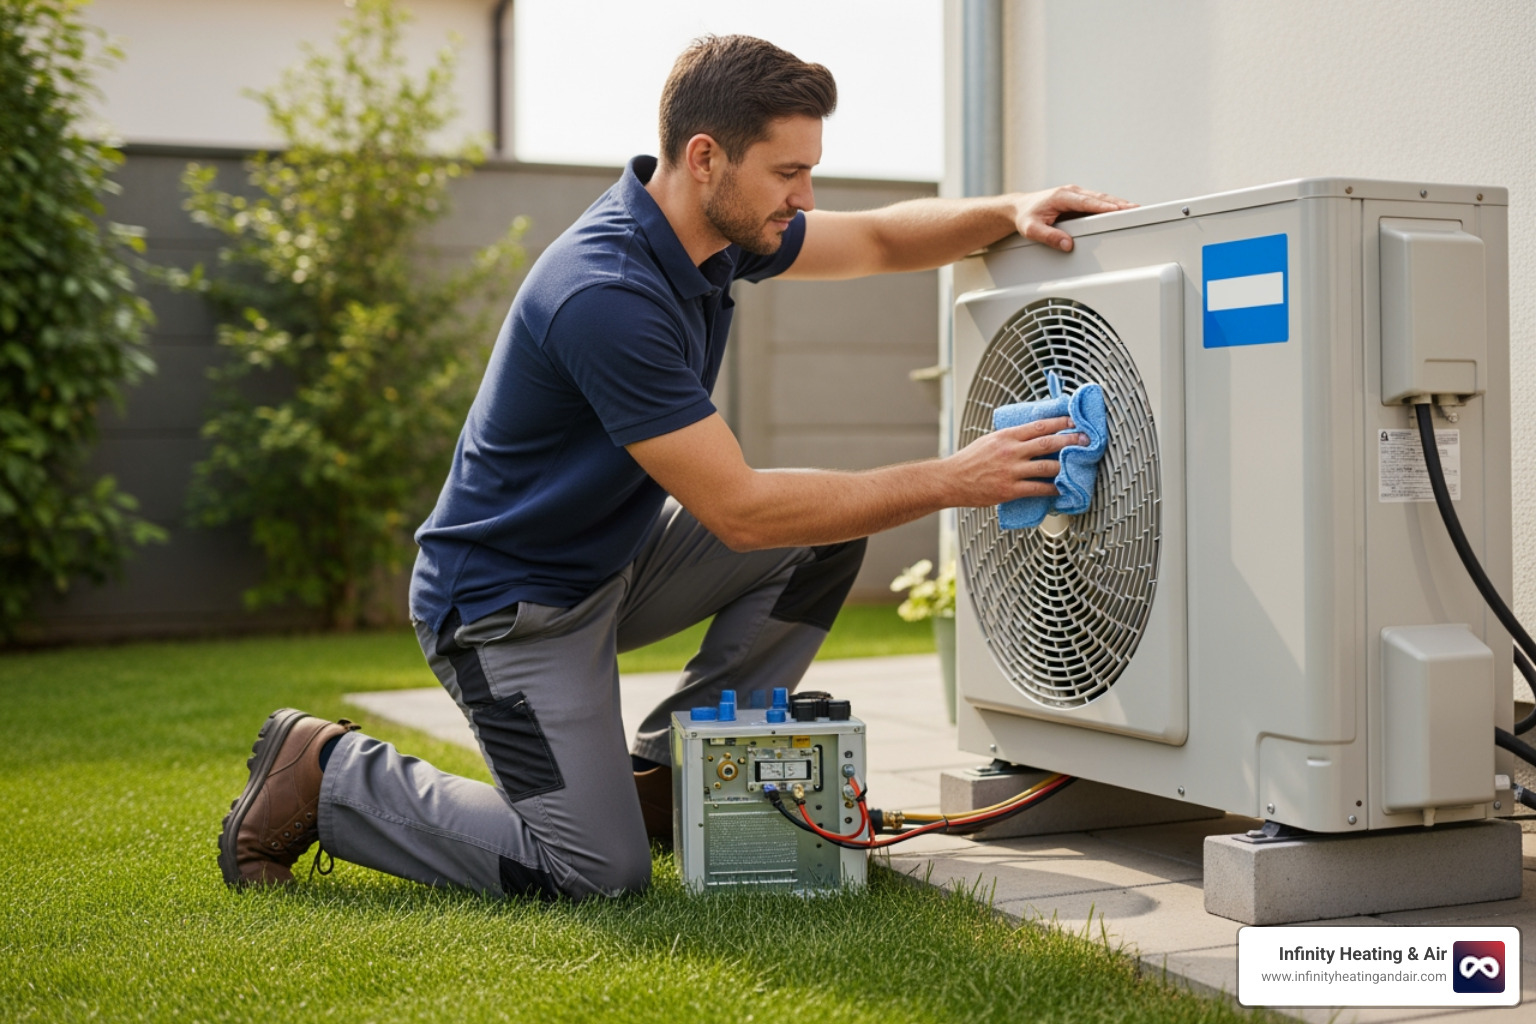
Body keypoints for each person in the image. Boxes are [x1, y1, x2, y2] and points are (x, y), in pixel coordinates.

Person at [217, 34, 1132, 899]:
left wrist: (1008, 212)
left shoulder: (721, 236)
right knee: (592, 875)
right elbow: (739, 513)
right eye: (788, 172)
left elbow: (886, 239)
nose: (804, 198)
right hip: (508, 610)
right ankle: (327, 773)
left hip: (610, 565)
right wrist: (955, 477)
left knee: (823, 537)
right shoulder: (605, 293)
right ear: (706, 159)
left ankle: (669, 778)